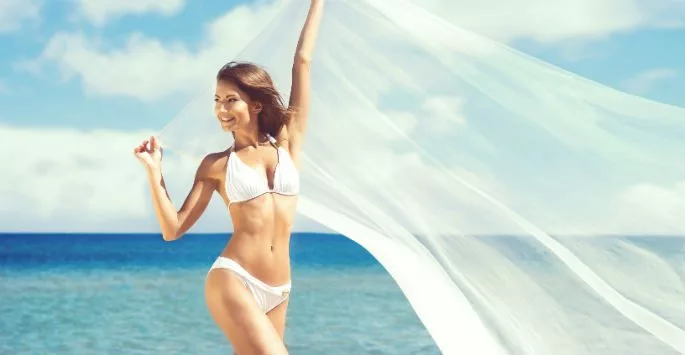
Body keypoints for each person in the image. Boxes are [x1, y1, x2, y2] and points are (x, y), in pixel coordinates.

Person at [133, 1, 324, 353]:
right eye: (217, 100)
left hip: (280, 287)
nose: (221, 109)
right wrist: (154, 171)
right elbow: (172, 229)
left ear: (255, 104)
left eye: (230, 100)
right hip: (233, 278)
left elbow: (303, 62)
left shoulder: (287, 143)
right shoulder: (217, 165)